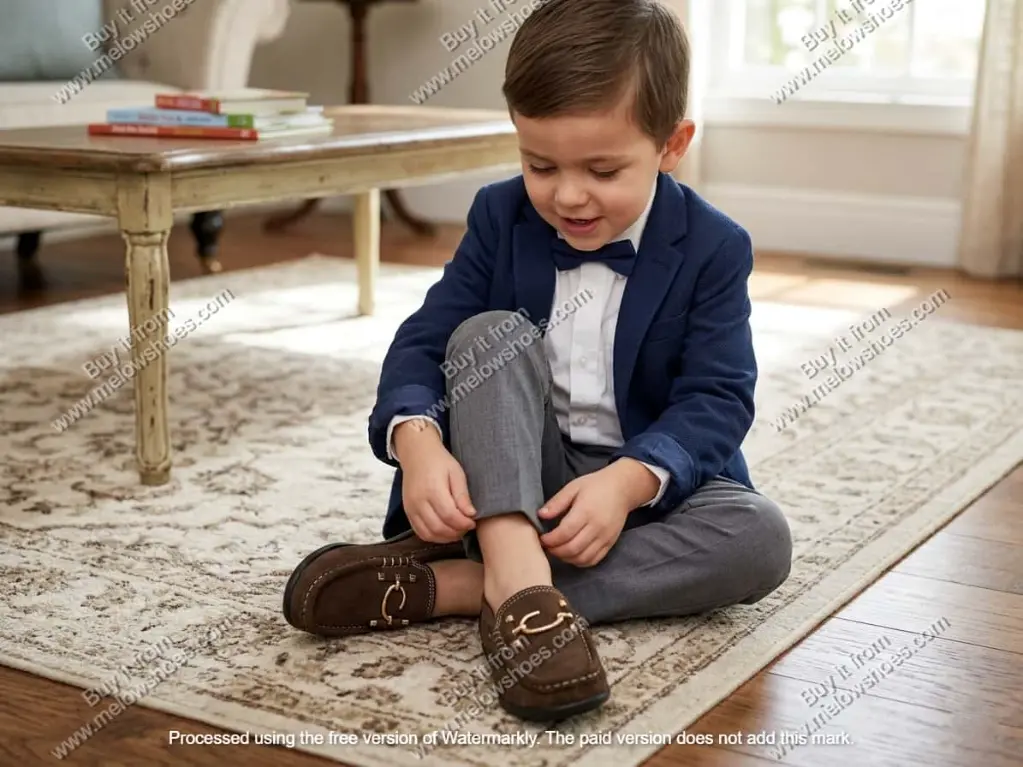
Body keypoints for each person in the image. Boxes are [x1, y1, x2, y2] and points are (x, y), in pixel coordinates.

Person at [282, 0, 792, 723]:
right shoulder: (499, 215)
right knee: (485, 332)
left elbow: (717, 398)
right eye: (539, 165)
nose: (567, 195)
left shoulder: (714, 246)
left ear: (671, 144)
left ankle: (462, 587)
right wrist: (418, 443)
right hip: (504, 472)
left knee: (760, 539)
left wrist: (624, 482)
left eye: (603, 169)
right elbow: (425, 340)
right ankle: (519, 584)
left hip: (629, 490)